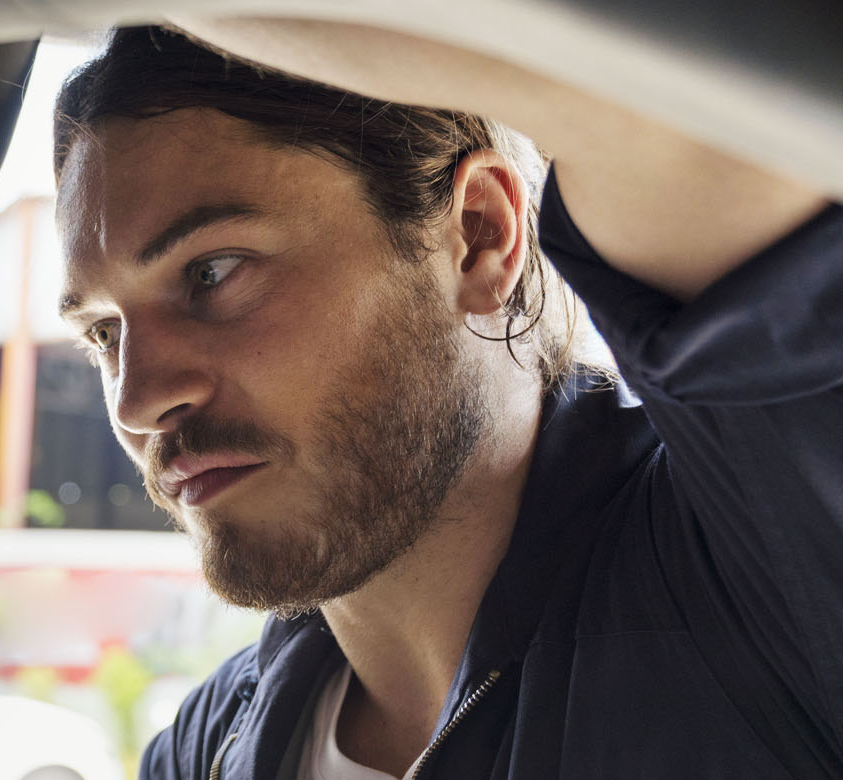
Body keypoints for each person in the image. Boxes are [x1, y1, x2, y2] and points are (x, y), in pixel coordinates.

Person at [51, 24, 841, 780]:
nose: (138, 401)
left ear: (479, 232)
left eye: (213, 272)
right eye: (103, 335)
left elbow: (682, 126)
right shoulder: (210, 749)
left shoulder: (755, 567)